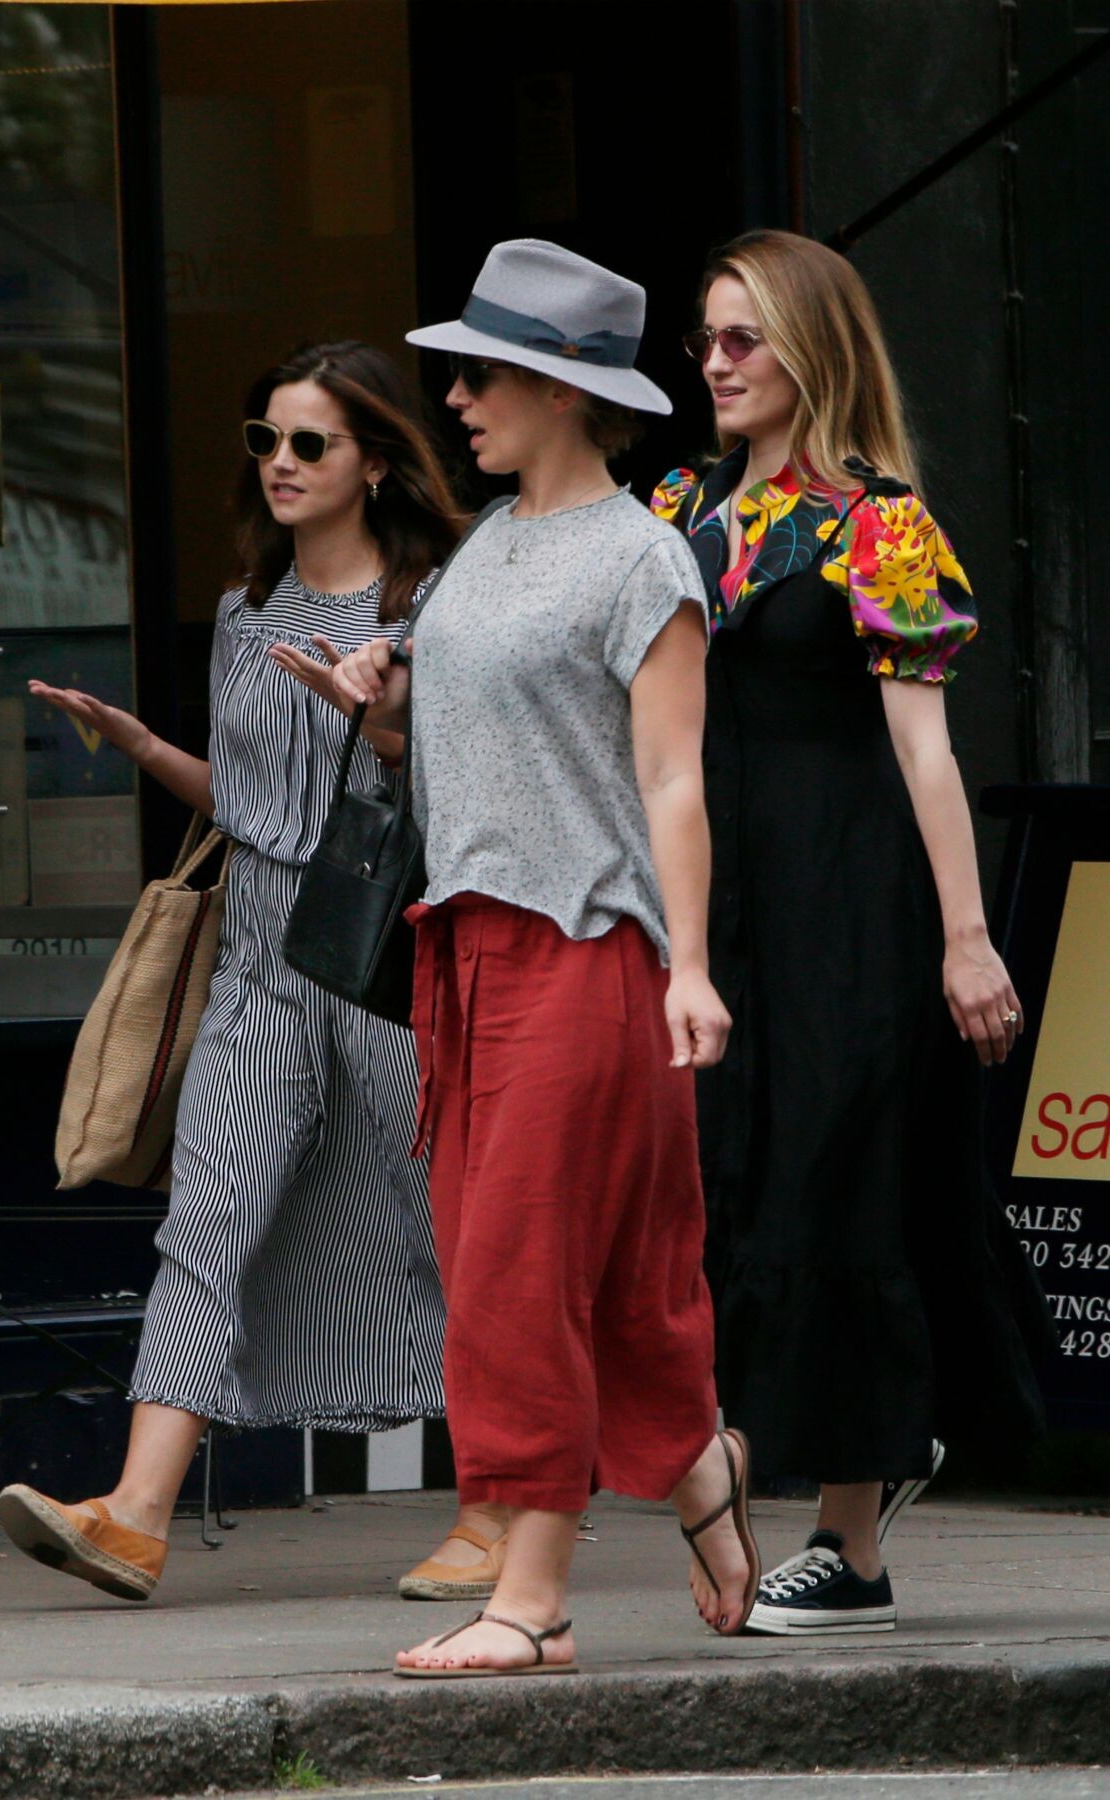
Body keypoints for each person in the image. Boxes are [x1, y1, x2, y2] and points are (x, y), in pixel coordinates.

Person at [0, 341, 509, 1606]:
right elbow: (246, 801)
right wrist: (142, 746)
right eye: (264, 440)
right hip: (262, 962)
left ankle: (503, 1509)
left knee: (448, 1229)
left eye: (309, 443)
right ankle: (135, 1515)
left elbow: (474, 784)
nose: (280, 463)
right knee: (208, 1217)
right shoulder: (246, 610)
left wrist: (374, 722)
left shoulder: (434, 608)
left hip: (386, 958)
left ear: (374, 462)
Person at [325, 240, 761, 1678]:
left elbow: (674, 779)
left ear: (564, 389)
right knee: (583, 1276)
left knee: (519, 1271)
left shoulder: (642, 557)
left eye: (482, 374)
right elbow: (487, 744)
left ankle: (535, 1600)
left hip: (588, 948)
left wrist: (688, 965)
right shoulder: (485, 547)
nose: (455, 399)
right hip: (464, 950)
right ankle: (699, 1467)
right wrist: (384, 697)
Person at [652, 229, 1053, 1635]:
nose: (715, 364)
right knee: (732, 1183)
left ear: (812, 351)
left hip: (850, 903)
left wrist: (966, 938)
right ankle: (767, 1488)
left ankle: (844, 1536)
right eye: (704, 339)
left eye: (742, 339)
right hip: (716, 907)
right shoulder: (673, 509)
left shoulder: (881, 522)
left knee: (840, 1187)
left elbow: (927, 751)